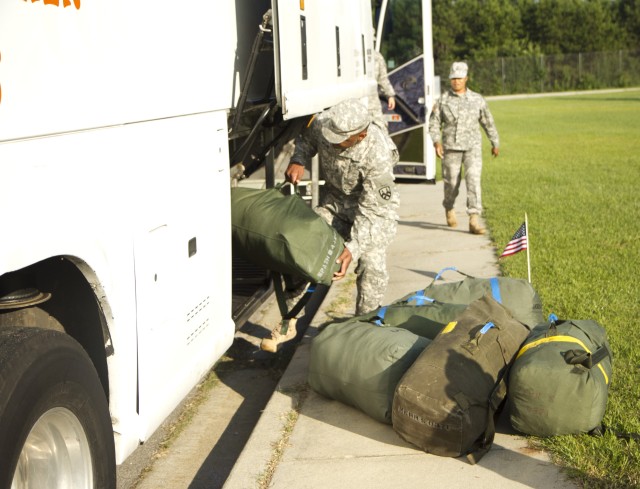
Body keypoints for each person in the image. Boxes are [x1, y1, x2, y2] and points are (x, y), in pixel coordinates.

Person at [285, 98, 400, 317]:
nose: (331, 141)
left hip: (373, 214)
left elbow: (373, 211)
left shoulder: (378, 153)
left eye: (340, 140)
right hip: (335, 205)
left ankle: (363, 327)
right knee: (303, 243)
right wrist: (298, 159)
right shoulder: (326, 123)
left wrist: (353, 248)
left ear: (360, 136)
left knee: (371, 265)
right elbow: (306, 141)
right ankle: (288, 318)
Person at [428, 61, 499, 235]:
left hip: (472, 148)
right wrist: (437, 142)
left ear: (466, 78)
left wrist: (494, 141)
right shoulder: (443, 100)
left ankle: (474, 218)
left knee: (474, 180)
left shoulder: (477, 99)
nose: (456, 81)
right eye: (453, 78)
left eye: (459, 78)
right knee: (452, 183)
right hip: (451, 149)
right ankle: (449, 207)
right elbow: (434, 123)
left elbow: (487, 121)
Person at [367, 50, 397, 132]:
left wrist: (390, 95)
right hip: (354, 103)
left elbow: (383, 78)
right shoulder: (348, 53)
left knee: (380, 131)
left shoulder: (376, 56)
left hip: (372, 104)